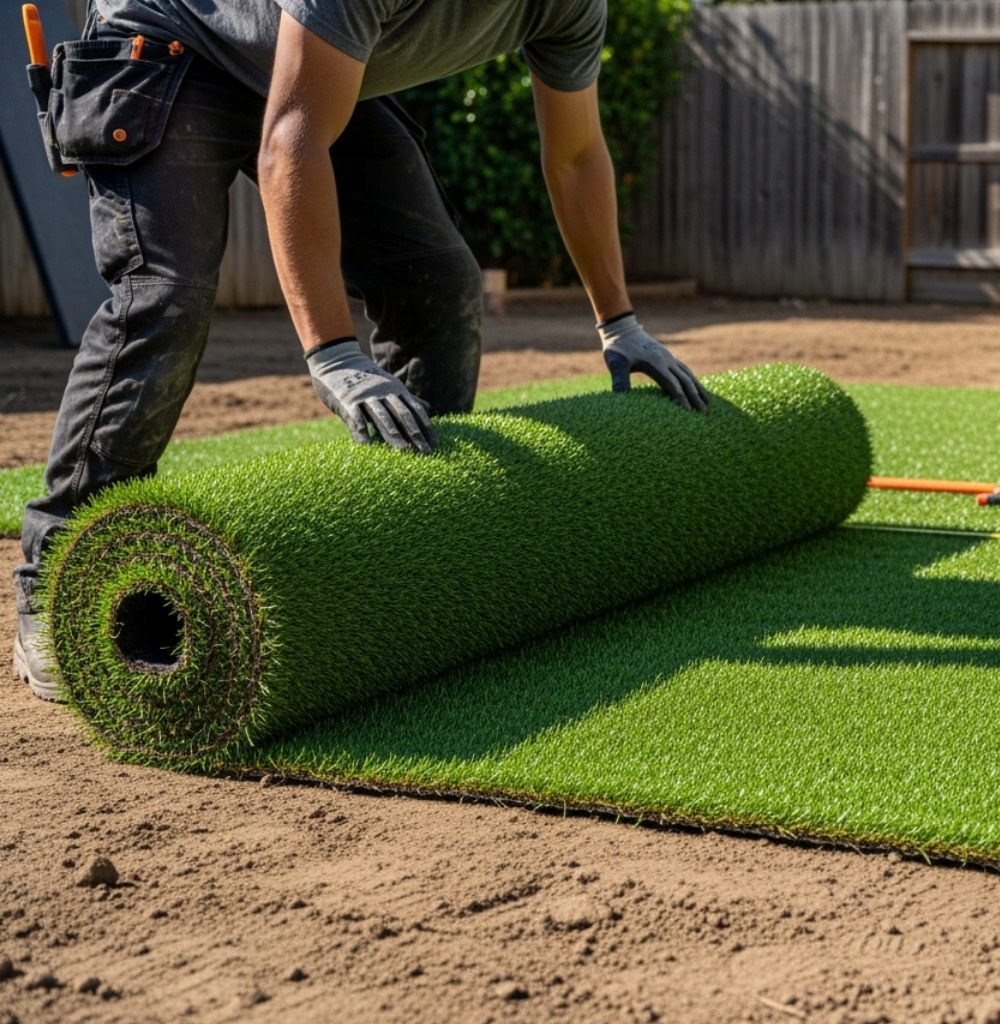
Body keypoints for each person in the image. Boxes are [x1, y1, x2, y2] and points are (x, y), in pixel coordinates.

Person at [12, 0, 708, 700]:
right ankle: (57, 579)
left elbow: (579, 155)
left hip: (309, 69)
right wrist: (334, 353)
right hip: (172, 44)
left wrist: (618, 321)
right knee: (163, 297)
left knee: (435, 282)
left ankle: (405, 543)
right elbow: (290, 141)